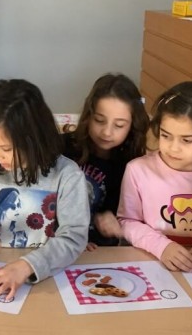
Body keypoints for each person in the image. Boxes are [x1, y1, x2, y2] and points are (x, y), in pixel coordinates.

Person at [0, 79, 90, 301]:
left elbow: (74, 237)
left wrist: (26, 266)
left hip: (47, 279)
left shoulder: (67, 175)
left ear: (33, 137)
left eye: (6, 148)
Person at [117, 81, 192, 272]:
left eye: (187, 140)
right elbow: (126, 221)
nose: (173, 148)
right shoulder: (137, 170)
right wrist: (161, 246)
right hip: (152, 263)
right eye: (166, 136)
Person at [63, 73, 149, 249]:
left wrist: (113, 221)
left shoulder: (131, 165)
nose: (107, 132)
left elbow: (126, 218)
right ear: (88, 116)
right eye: (99, 120)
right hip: (61, 243)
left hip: (99, 251)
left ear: (132, 125)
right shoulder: (62, 148)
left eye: (119, 125)